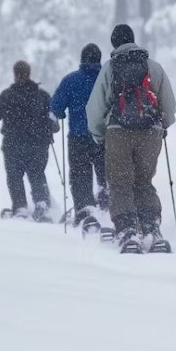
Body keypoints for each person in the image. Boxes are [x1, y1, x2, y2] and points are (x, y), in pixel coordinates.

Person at [86, 24, 176, 247]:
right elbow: (169, 105)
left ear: (114, 43)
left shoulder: (109, 68)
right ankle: (151, 226)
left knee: (120, 182)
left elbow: (95, 108)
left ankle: (127, 229)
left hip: (118, 132)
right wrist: (161, 125)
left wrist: (99, 135)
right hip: (150, 132)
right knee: (144, 181)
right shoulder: (153, 67)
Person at [0, 61, 58, 221]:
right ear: (29, 74)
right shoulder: (42, 96)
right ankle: (41, 204)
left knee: (14, 176)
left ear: (15, 75)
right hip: (38, 145)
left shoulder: (8, 95)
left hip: (13, 145)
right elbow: (53, 122)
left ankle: (20, 207)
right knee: (37, 174)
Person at [51, 43, 108, 224]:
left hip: (78, 136)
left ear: (82, 59)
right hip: (103, 137)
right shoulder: (106, 79)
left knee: (79, 175)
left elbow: (56, 108)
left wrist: (60, 114)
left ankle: (84, 210)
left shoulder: (70, 80)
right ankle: (107, 208)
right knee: (105, 173)